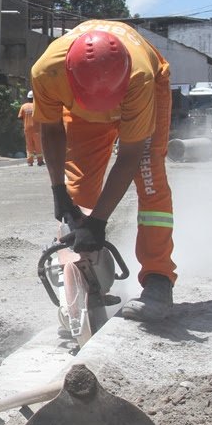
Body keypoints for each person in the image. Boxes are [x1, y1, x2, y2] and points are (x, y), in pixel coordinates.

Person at [31, 20, 177, 321]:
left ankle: (158, 278)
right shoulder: (47, 71)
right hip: (81, 106)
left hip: (138, 96)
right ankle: (78, 280)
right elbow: (52, 129)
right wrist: (58, 191)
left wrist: (98, 222)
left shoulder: (140, 78)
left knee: (150, 180)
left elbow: (130, 155)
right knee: (78, 189)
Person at [18, 91, 44, 166]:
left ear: (27, 98)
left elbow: (20, 117)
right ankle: (40, 161)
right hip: (37, 129)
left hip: (27, 129)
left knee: (29, 146)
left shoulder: (23, 106)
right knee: (38, 145)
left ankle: (30, 162)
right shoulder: (37, 106)